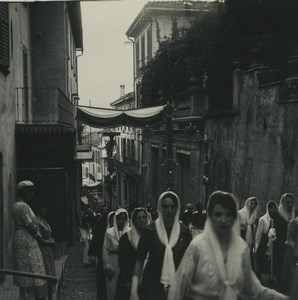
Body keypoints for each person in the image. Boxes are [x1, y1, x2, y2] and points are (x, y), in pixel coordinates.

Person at [167, 190, 288, 300]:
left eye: (228, 215)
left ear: (234, 218)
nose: (223, 220)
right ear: (210, 217)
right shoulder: (198, 245)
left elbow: (254, 289)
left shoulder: (241, 248)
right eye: (218, 214)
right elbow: (178, 286)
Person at [130, 190, 192, 300]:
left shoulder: (184, 232)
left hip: (177, 285)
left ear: (177, 209)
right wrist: (134, 291)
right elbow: (139, 260)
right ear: (160, 208)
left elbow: (189, 262)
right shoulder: (150, 230)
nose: (169, 210)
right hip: (152, 285)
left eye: (173, 207)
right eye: (165, 206)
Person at [12, 181, 47, 300]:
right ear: (24, 193)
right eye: (30, 193)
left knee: (23, 267)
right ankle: (29, 295)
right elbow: (29, 224)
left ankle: (23, 295)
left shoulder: (17, 205)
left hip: (20, 237)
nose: (32, 195)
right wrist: (39, 238)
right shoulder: (22, 206)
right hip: (26, 239)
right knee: (30, 267)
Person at [115, 207, 150, 300]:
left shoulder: (153, 236)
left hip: (149, 280)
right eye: (138, 218)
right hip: (130, 280)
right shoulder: (126, 238)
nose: (142, 220)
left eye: (144, 217)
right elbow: (122, 262)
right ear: (133, 221)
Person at [102, 208, 129, 300]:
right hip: (113, 261)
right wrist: (107, 266)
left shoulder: (130, 232)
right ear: (115, 219)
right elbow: (105, 250)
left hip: (126, 262)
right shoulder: (109, 232)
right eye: (118, 219)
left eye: (123, 219)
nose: (121, 221)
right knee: (112, 288)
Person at [33, 201, 56, 299]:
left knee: (50, 270)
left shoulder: (44, 220)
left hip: (49, 249)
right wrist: (50, 242)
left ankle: (49, 294)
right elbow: (39, 239)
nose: (45, 210)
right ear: (39, 209)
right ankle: (42, 295)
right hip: (43, 249)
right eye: (44, 208)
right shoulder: (37, 221)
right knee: (45, 270)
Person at [88, 205, 110, 300]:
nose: (105, 212)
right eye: (104, 210)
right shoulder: (99, 222)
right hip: (101, 253)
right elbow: (95, 237)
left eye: (107, 210)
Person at [275, 193, 296, 291]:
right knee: (279, 268)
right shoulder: (278, 214)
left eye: (291, 202)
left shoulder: (295, 213)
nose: (290, 204)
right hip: (280, 245)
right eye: (287, 202)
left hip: (292, 247)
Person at [254, 201, 278, 281]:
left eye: (274, 208)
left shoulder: (276, 219)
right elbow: (258, 234)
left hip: (273, 243)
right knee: (263, 261)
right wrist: (256, 245)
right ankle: (261, 278)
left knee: (270, 262)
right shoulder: (263, 219)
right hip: (264, 243)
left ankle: (270, 277)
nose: (273, 210)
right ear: (268, 209)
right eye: (271, 208)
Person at [281, 216, 298, 294]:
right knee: (291, 270)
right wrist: (295, 250)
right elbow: (291, 238)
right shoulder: (294, 222)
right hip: (293, 250)